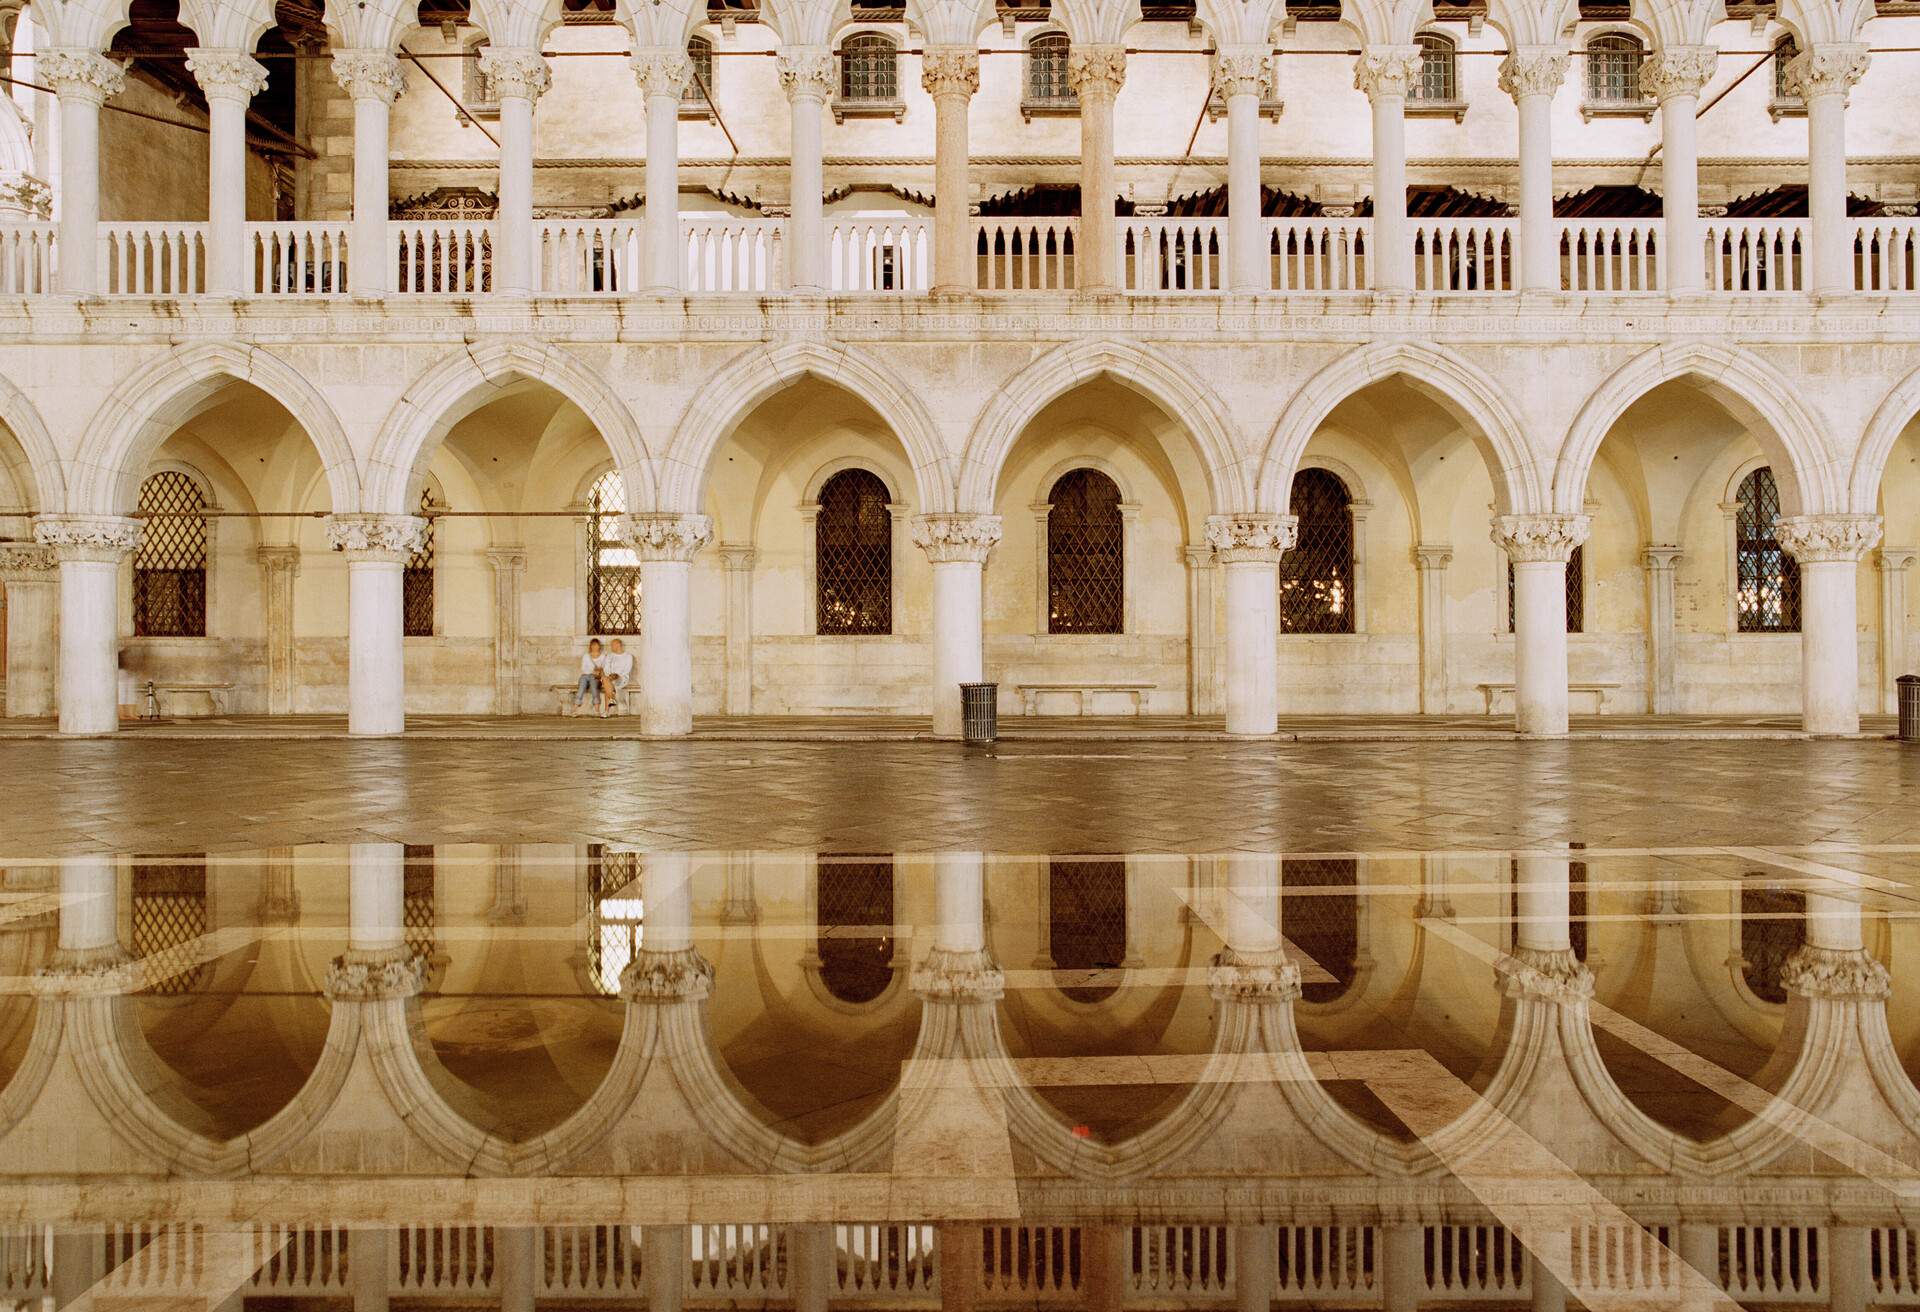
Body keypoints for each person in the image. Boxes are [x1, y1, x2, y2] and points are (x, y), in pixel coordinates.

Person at [601, 637, 634, 717]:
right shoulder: (609, 656)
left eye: (612, 645)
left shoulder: (628, 656)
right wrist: (611, 675)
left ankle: (606, 711)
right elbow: (606, 668)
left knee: (607, 684)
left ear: (618, 645)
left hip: (622, 678)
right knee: (606, 680)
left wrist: (617, 675)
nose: (611, 647)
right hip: (610, 677)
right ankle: (612, 698)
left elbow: (627, 669)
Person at [572, 639, 605, 716]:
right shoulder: (586, 656)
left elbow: (603, 668)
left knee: (594, 688)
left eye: (596, 645)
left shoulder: (603, 656)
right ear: (590, 646)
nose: (594, 646)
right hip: (585, 676)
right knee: (581, 688)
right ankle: (574, 710)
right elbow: (583, 669)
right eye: (593, 645)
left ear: (599, 646)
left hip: (595, 677)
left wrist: (596, 671)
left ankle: (597, 710)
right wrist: (594, 670)